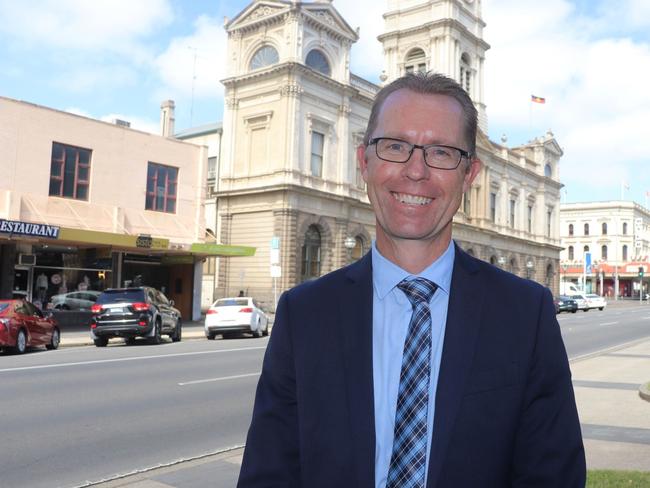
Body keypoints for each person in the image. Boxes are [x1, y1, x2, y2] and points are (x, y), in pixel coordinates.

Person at [238, 72, 586, 487]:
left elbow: (552, 477)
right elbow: (269, 474)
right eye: (396, 146)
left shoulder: (525, 314)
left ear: (469, 174)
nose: (415, 171)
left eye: (441, 151)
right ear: (364, 161)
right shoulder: (304, 315)